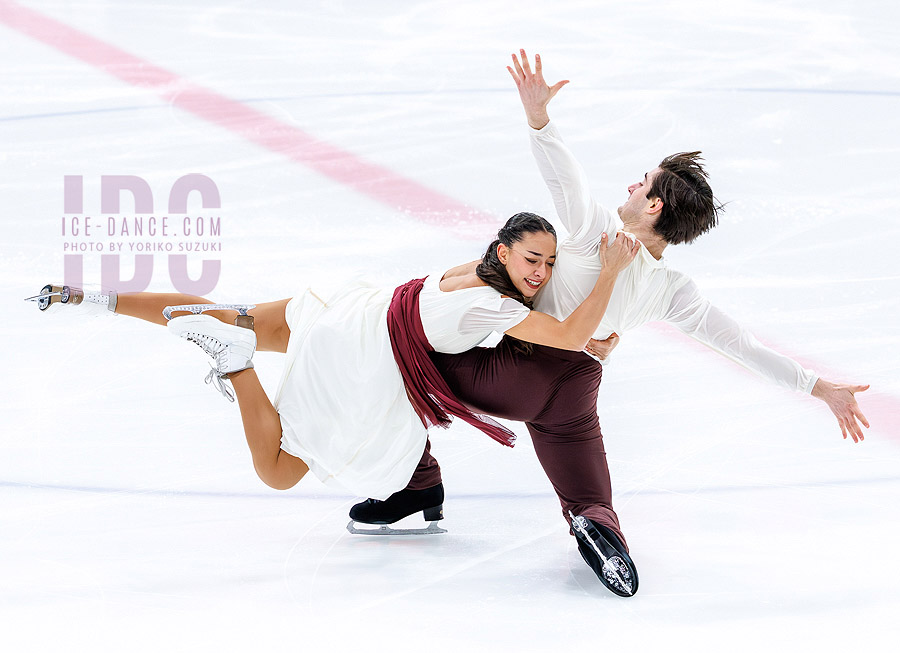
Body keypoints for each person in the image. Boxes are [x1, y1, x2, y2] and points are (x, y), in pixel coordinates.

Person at [349, 50, 870, 597]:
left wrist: (538, 119)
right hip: (575, 388)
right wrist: (817, 386)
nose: (630, 187)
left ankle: (419, 484)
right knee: (590, 501)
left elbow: (562, 178)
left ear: (654, 207)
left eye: (642, 184)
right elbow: (738, 343)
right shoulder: (673, 290)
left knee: (403, 355)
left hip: (516, 372)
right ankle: (599, 529)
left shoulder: (589, 229)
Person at [28, 211, 639, 502]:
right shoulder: (498, 307)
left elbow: (566, 328)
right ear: (503, 252)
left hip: (356, 309)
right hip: (363, 357)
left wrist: (590, 332)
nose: (543, 273)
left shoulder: (467, 273)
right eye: (533, 259)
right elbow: (564, 335)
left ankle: (96, 297)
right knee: (279, 470)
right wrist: (610, 273)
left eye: (550, 263)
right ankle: (238, 366)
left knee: (225, 313)